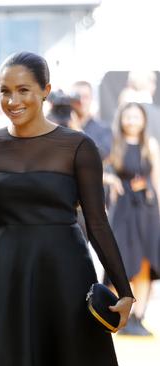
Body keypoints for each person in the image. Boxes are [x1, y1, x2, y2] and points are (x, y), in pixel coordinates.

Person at [0, 51, 134, 366]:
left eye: (23, 90)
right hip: (7, 272)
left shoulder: (78, 147)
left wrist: (124, 290)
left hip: (65, 271)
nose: (13, 100)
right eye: (5, 90)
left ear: (45, 90)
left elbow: (97, 224)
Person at [106, 102, 160, 336]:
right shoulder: (113, 144)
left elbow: (157, 178)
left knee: (146, 264)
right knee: (119, 260)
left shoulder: (150, 144)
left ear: (144, 120)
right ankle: (110, 314)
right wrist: (110, 180)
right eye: (127, 117)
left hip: (147, 211)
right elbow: (97, 169)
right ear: (121, 119)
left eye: (136, 117)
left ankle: (138, 318)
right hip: (123, 211)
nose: (132, 121)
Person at [70, 81, 113, 160]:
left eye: (85, 97)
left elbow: (102, 155)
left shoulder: (104, 129)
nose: (81, 101)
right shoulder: (59, 124)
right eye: (77, 97)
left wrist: (78, 131)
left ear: (91, 99)